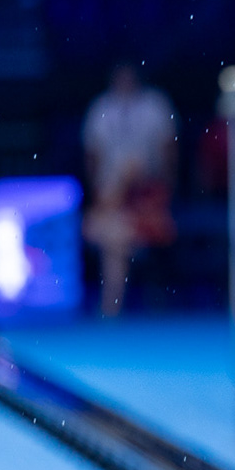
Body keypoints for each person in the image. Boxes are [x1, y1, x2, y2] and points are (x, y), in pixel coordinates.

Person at [81, 64, 177, 316]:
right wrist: (110, 193)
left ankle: (110, 308)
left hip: (147, 200)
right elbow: (93, 159)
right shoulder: (101, 108)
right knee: (114, 238)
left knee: (115, 238)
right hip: (112, 207)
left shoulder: (155, 105)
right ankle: (111, 308)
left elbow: (169, 155)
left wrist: (159, 194)